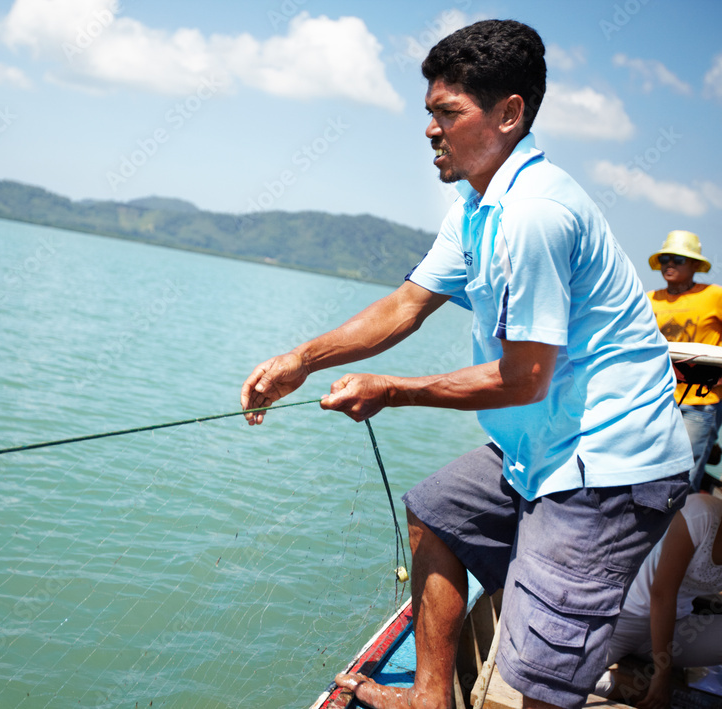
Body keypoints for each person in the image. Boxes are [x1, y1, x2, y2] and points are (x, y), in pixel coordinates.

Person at [240, 19, 693, 709]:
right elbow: (405, 306)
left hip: (607, 467)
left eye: (447, 113)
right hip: (542, 443)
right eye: (430, 112)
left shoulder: (535, 215)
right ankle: (430, 698)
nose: (430, 130)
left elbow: (523, 377)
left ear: (509, 114)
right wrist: (301, 359)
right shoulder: (477, 206)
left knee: (537, 682)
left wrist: (391, 389)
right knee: (436, 511)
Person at [595, 493, 722, 709]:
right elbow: (662, 595)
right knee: (559, 677)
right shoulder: (701, 513)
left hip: (675, 629)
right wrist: (662, 676)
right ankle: (623, 686)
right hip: (624, 618)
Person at [647, 231, 722, 491]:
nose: (670, 264)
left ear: (695, 265)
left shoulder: (714, 296)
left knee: (684, 478)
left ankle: (684, 528)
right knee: (647, 471)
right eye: (665, 258)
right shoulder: (648, 299)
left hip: (700, 402)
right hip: (654, 399)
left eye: (679, 259)